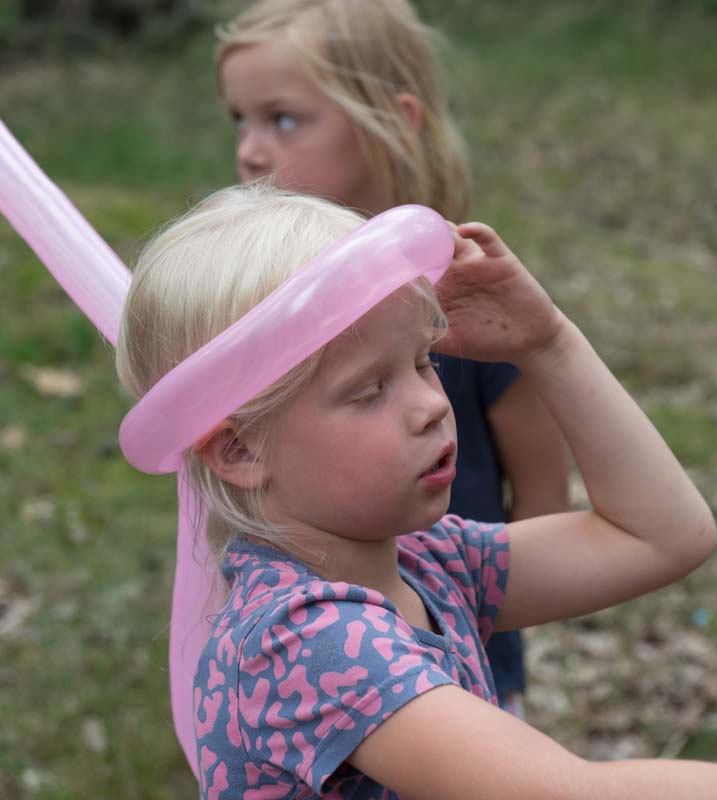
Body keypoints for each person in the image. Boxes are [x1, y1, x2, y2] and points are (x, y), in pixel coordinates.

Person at [116, 184, 717, 799]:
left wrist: (547, 344)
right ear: (239, 449)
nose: (429, 405)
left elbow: (661, 536)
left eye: (422, 362)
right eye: (368, 391)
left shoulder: (423, 561)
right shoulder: (300, 641)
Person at [213, 0, 569, 715]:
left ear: (393, 121)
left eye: (283, 119)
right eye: (240, 120)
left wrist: (488, 611)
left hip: (455, 647)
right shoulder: (255, 303)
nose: (250, 149)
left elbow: (543, 492)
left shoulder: (465, 300)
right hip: (308, 655)